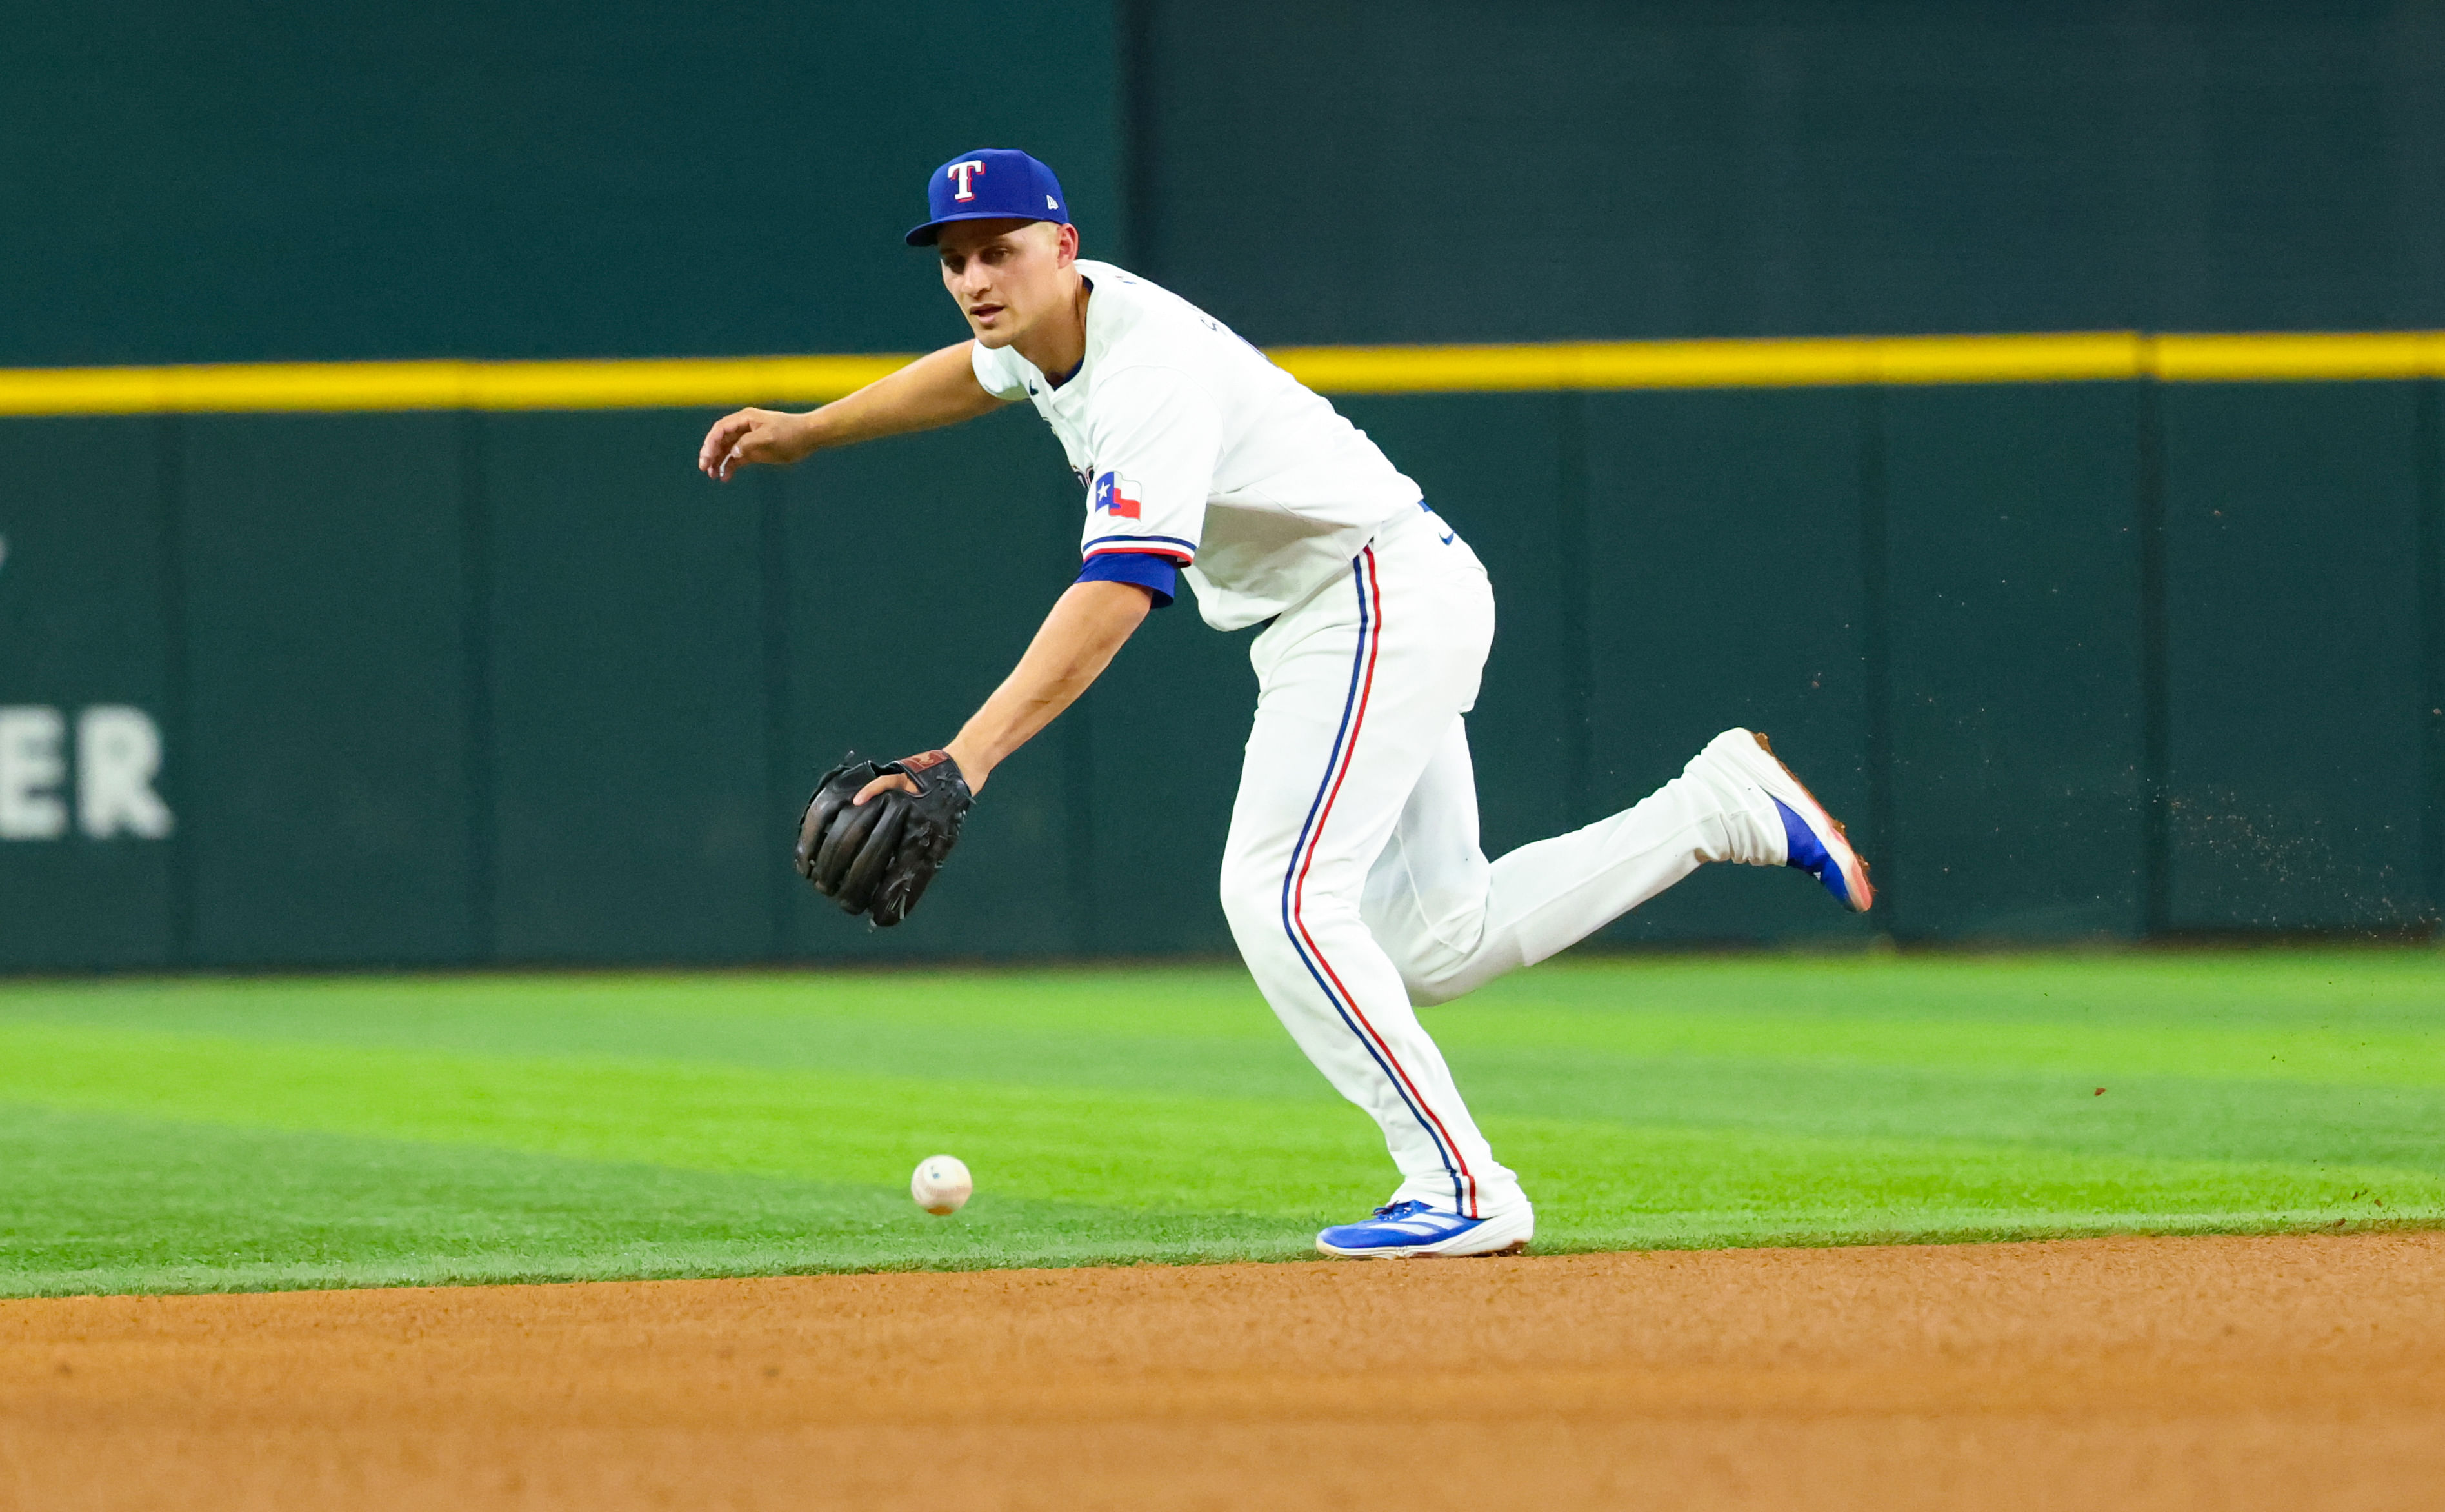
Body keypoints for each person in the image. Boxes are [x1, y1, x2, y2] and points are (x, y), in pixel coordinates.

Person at [697, 148, 1873, 1260]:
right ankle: (1712, 811)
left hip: (1364, 599)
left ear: (1063, 245)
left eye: (997, 250)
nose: (972, 279)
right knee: (1437, 939)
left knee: (1278, 895)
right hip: (1365, 598)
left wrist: (967, 760)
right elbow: (972, 375)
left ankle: (1461, 1188)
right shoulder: (1048, 330)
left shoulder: (1145, 371)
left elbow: (1114, 590)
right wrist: (812, 429)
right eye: (953, 259)